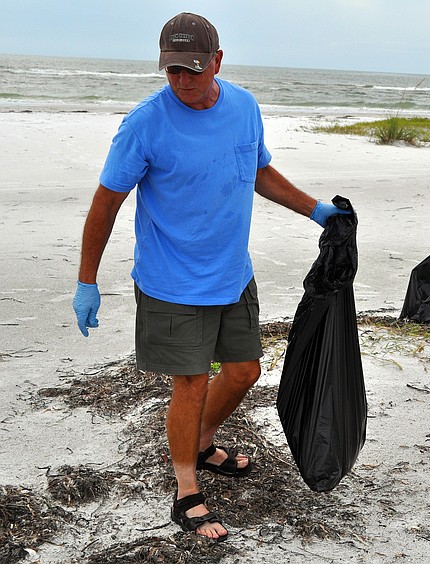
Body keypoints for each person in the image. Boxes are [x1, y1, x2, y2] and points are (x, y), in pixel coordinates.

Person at [71, 12, 349, 541]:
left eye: (192, 69)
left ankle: (199, 441)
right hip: (172, 281)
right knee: (191, 382)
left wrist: (315, 210)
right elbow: (106, 203)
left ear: (217, 61)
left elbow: (258, 170)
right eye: (171, 69)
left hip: (231, 272)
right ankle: (185, 488)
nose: (181, 81)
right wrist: (88, 280)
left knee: (245, 372)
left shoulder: (244, 106)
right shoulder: (145, 123)